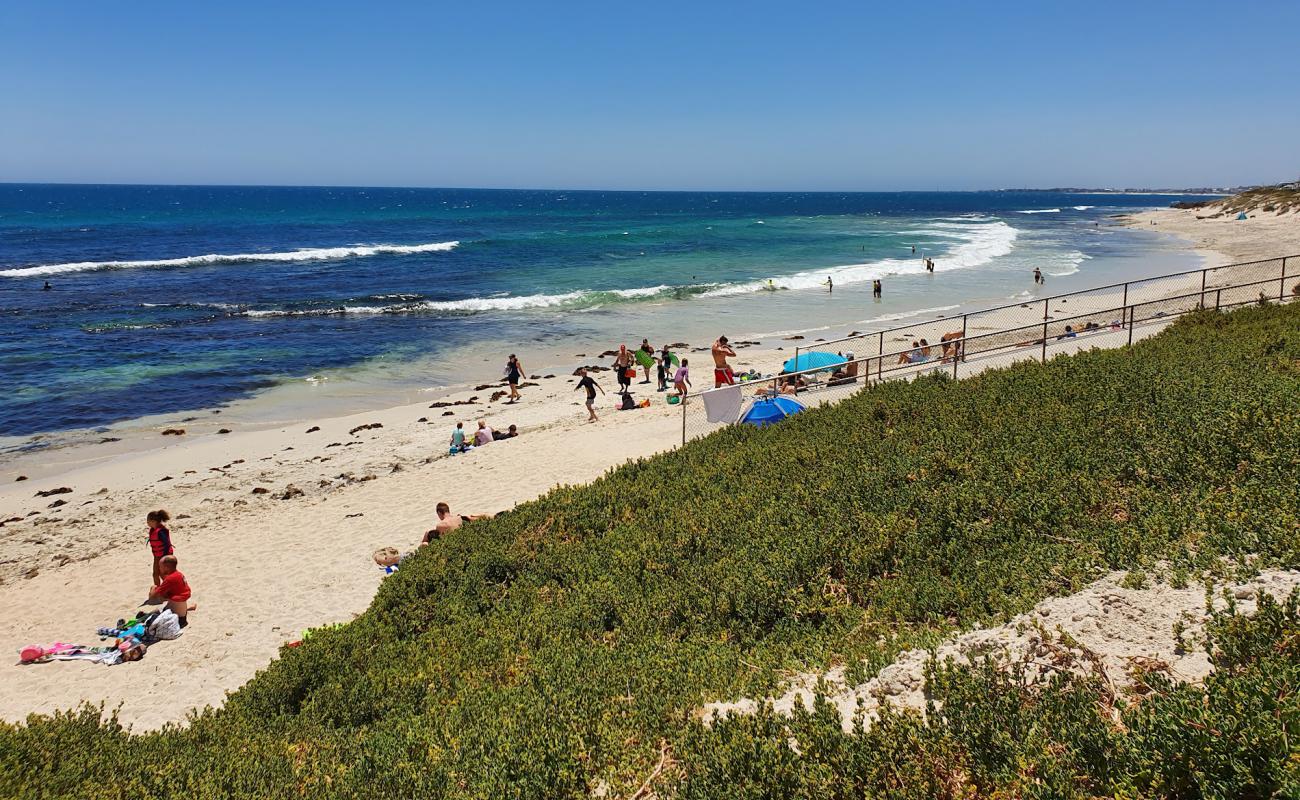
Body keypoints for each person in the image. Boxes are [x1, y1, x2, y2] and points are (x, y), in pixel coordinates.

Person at [144, 555, 193, 628]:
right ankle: (189, 608)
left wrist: (153, 588)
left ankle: (188, 608)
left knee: (152, 619)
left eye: (160, 566)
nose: (159, 568)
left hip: (177, 618)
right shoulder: (178, 574)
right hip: (180, 608)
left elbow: (153, 596)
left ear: (166, 568)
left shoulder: (170, 579)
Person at [422, 502, 494, 543]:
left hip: (453, 545)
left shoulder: (441, 525)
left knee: (426, 536)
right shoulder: (460, 518)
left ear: (439, 513)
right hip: (466, 540)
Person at [147, 510, 173, 585]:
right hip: (157, 556)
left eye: (148, 521)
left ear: (154, 521)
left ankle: (170, 588)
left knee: (163, 574)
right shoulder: (153, 530)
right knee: (155, 574)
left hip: (164, 556)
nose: (147, 523)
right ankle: (158, 591)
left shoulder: (161, 531)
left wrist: (164, 557)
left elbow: (167, 544)